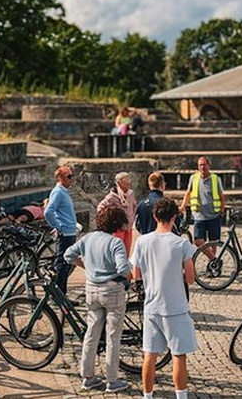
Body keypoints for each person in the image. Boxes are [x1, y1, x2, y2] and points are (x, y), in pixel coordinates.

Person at [130, 197, 197, 399]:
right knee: (178, 355)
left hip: (152, 305)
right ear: (174, 217)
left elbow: (136, 274)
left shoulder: (142, 242)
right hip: (175, 306)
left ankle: (148, 395)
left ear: (154, 216)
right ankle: (181, 396)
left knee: (149, 355)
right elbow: (191, 279)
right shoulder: (181, 244)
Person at [64, 206, 133, 393]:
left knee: (91, 334)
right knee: (113, 337)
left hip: (91, 289)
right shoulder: (115, 243)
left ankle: (87, 377)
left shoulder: (87, 238)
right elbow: (123, 269)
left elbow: (68, 255)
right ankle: (112, 380)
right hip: (112, 291)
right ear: (117, 224)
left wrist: (86, 266)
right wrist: (130, 271)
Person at [179, 156, 226, 257]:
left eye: (204, 164)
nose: (203, 167)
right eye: (200, 165)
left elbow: (222, 196)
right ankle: (213, 259)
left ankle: (213, 266)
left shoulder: (215, 179)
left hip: (213, 215)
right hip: (199, 215)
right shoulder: (193, 178)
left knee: (214, 242)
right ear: (198, 167)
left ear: (209, 166)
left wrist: (222, 210)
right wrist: (183, 205)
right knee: (198, 241)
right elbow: (188, 192)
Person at [43, 165, 78, 294]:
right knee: (62, 265)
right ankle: (59, 295)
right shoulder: (58, 192)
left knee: (66, 265)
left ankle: (62, 294)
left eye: (71, 176)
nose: (71, 179)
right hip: (66, 233)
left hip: (70, 231)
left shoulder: (63, 192)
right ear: (60, 177)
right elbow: (48, 212)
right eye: (68, 176)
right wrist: (58, 226)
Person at [96, 172, 137, 254]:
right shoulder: (112, 196)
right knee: (117, 250)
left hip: (128, 227)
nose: (129, 182)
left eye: (129, 179)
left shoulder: (130, 194)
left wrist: (132, 217)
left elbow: (134, 205)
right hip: (118, 228)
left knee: (127, 251)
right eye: (126, 180)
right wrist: (112, 217)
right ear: (119, 182)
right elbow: (100, 208)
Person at [134, 171, 167, 236]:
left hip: (146, 240)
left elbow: (137, 224)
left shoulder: (141, 204)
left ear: (149, 186)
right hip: (162, 241)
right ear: (162, 185)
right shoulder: (166, 204)